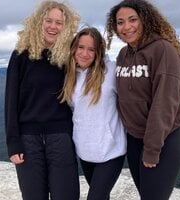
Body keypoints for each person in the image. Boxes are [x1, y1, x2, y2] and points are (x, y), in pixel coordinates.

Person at [105, 0, 180, 199]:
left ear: (145, 20)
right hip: (134, 140)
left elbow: (165, 103)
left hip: (163, 141)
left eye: (132, 20)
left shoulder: (163, 50)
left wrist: (152, 149)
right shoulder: (123, 54)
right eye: (120, 22)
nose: (126, 27)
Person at [4, 1, 80, 199]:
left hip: (61, 138)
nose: (53, 27)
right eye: (49, 20)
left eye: (59, 23)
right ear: (39, 22)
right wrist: (13, 143)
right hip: (28, 141)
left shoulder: (68, 57)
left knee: (66, 195)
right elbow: (10, 102)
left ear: (66, 27)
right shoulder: (21, 55)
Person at [60, 27, 126, 200]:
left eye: (91, 49)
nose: (84, 53)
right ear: (74, 48)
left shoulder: (111, 72)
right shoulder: (70, 75)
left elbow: (134, 97)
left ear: (99, 52)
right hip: (85, 150)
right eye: (81, 47)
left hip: (111, 151)